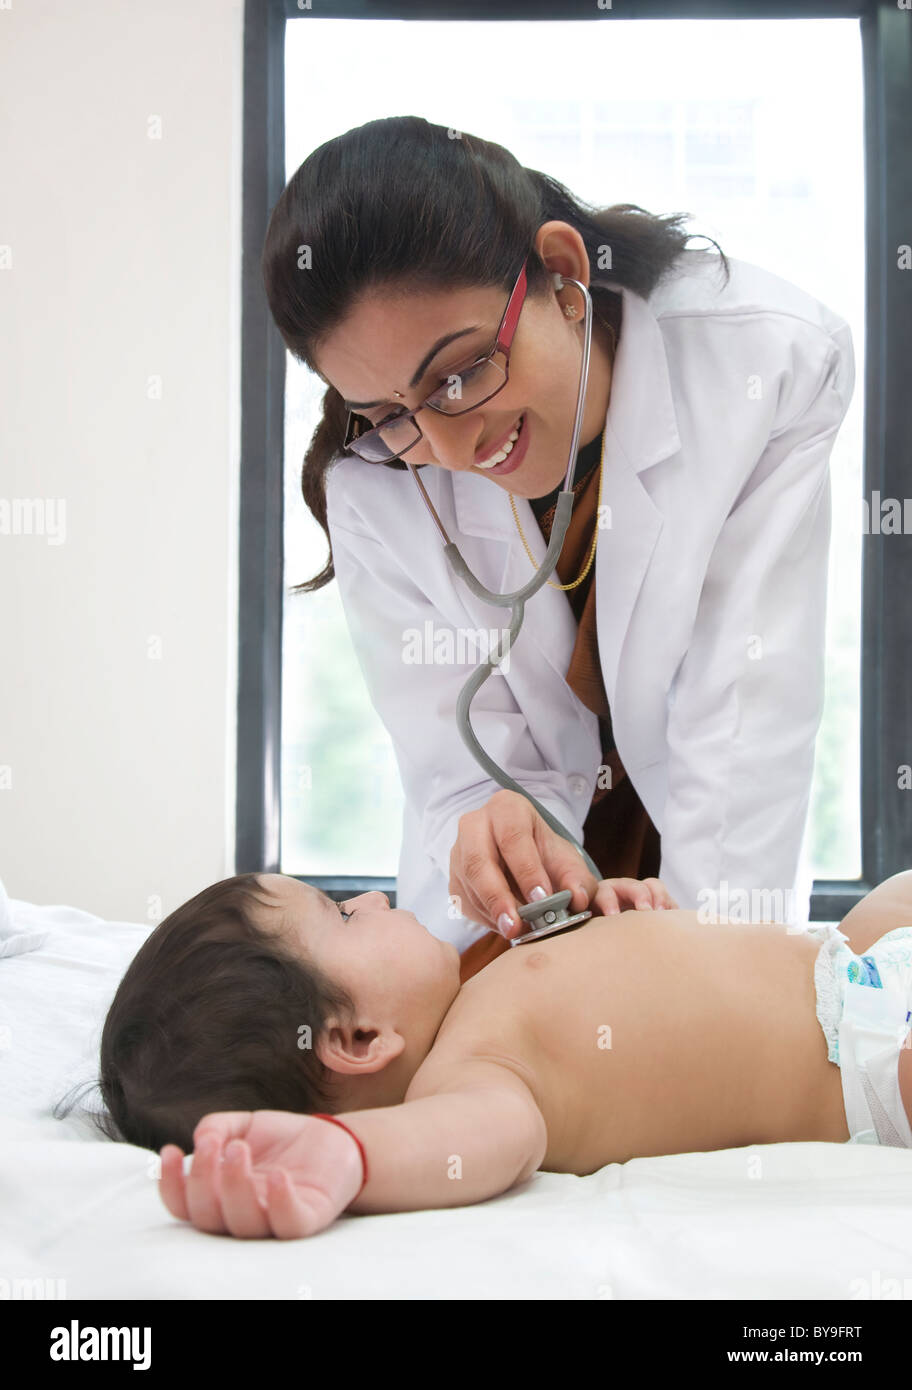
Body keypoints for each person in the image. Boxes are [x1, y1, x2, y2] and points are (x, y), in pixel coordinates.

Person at [261, 115, 855, 954]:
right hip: (513, 927)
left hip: (713, 862)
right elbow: (456, 762)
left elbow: (744, 721)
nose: (451, 443)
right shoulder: (377, 484)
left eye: (461, 372)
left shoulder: (762, 366)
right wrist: (497, 826)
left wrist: (710, 987)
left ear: (562, 273)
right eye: (392, 412)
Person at [89, 867, 912, 1239]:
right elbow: (483, 1141)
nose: (372, 896)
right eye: (342, 916)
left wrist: (631, 914)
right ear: (356, 1041)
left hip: (847, 959)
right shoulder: (471, 1075)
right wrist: (345, 1155)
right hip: (867, 1062)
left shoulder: (480, 983)